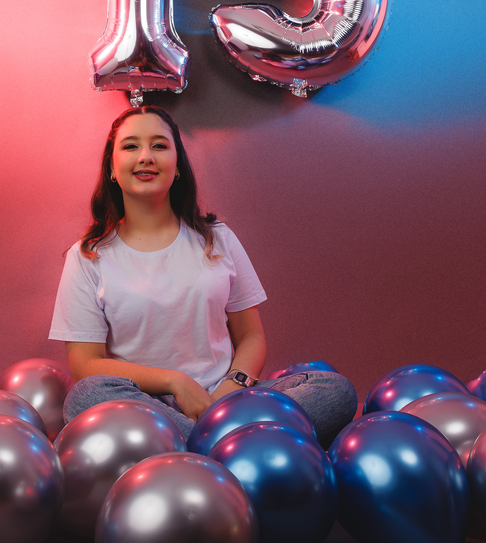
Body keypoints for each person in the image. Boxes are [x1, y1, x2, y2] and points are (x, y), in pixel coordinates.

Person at [50, 105, 356, 445]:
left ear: (178, 166)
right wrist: (175, 383)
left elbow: (251, 335)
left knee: (333, 389)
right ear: (111, 169)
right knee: (86, 396)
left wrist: (231, 387)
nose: (146, 156)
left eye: (160, 145)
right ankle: (230, 442)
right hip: (146, 405)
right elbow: (85, 365)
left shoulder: (217, 238)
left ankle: (199, 441)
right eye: (131, 146)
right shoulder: (87, 256)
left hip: (228, 400)